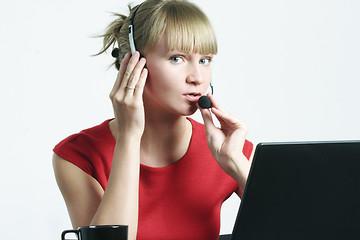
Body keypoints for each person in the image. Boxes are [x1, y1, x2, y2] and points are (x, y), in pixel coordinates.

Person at [53, 0, 254, 239]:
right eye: (176, 58)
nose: (197, 77)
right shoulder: (78, 156)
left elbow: (302, 228)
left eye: (204, 60)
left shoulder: (231, 149)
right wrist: (128, 138)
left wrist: (237, 163)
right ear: (133, 62)